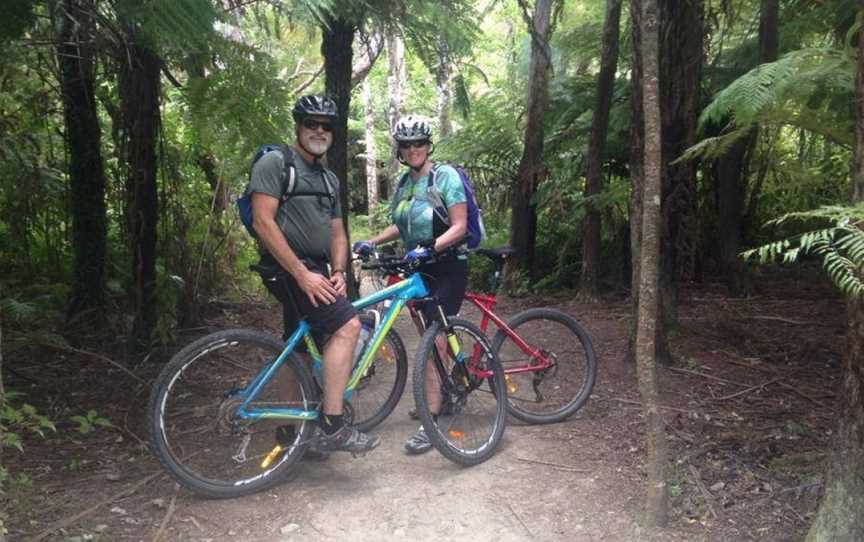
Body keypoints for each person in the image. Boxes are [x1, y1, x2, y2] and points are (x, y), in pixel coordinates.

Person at [247, 95, 379, 454]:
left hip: (318, 269)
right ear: (298, 127)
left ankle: (291, 435)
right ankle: (334, 426)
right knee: (347, 326)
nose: (319, 130)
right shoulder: (276, 163)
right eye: (311, 123)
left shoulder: (330, 179)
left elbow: (338, 233)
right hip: (288, 268)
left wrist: (338, 270)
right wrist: (302, 274)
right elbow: (262, 221)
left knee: (298, 349)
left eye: (326, 125)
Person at [353, 115, 469, 455]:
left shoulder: (444, 176)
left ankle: (432, 418)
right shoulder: (404, 183)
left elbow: (459, 226)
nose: (413, 149)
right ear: (400, 150)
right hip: (420, 268)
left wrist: (432, 247)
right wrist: (372, 241)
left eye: (419, 143)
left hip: (448, 265)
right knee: (431, 338)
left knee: (433, 341)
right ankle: (446, 391)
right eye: (407, 144)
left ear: (427, 145)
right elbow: (400, 227)